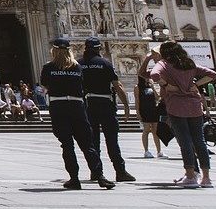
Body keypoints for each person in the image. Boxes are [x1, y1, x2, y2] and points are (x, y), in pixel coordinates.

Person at [41, 38, 113, 190]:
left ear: (53, 50)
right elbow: (82, 85)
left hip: (58, 105)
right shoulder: (77, 67)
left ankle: (74, 178)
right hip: (77, 106)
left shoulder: (48, 67)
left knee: (67, 145)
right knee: (87, 144)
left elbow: (45, 84)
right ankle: (100, 176)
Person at [142, 42, 216, 188]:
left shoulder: (165, 64)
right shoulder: (188, 63)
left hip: (176, 107)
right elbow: (212, 74)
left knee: (185, 142)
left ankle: (190, 176)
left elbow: (154, 74)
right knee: (199, 142)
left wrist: (167, 85)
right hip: (195, 107)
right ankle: (206, 178)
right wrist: (195, 85)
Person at [79, 37, 134, 182]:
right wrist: (126, 106)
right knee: (112, 140)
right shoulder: (105, 63)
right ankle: (120, 171)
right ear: (99, 49)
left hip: (87, 105)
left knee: (93, 141)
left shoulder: (79, 64)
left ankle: (96, 172)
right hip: (105, 104)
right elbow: (117, 86)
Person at [135, 74, 164, 158]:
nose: (148, 79)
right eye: (146, 77)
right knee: (146, 130)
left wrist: (153, 87)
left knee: (155, 131)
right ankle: (146, 151)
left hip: (153, 110)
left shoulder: (151, 86)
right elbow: (137, 100)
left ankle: (159, 151)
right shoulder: (137, 87)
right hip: (144, 110)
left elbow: (157, 97)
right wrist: (138, 112)